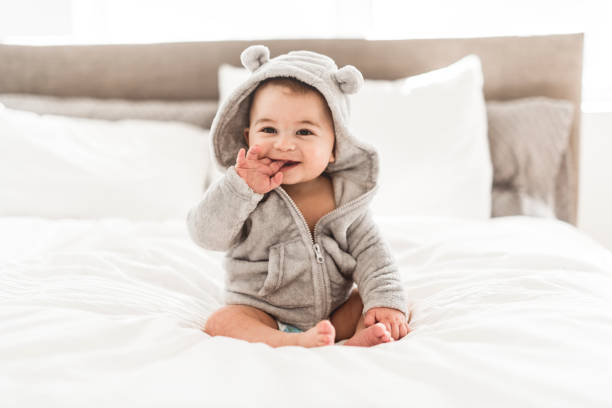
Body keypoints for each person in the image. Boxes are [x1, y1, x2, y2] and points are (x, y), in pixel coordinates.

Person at [187, 45, 410, 348]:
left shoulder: (346, 201)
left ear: (334, 147)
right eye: (268, 129)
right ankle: (289, 341)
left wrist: (386, 301)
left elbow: (374, 257)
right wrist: (241, 188)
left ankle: (354, 340)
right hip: (261, 311)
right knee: (222, 321)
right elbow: (206, 235)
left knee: (371, 302)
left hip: (333, 315)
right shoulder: (244, 191)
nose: (284, 144)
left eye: (304, 132)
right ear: (248, 136)